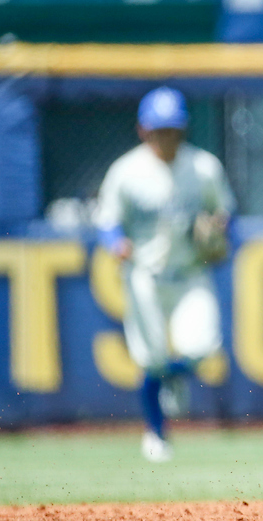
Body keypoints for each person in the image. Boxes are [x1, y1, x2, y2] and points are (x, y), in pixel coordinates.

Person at [95, 86, 234, 463]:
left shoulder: (203, 167)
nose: (167, 137)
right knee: (151, 358)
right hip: (144, 274)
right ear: (144, 130)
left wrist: (218, 226)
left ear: (183, 129)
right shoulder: (126, 171)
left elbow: (224, 212)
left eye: (173, 130)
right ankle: (156, 434)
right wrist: (116, 243)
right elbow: (107, 221)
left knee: (203, 348)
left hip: (190, 272)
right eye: (160, 130)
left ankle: (174, 377)